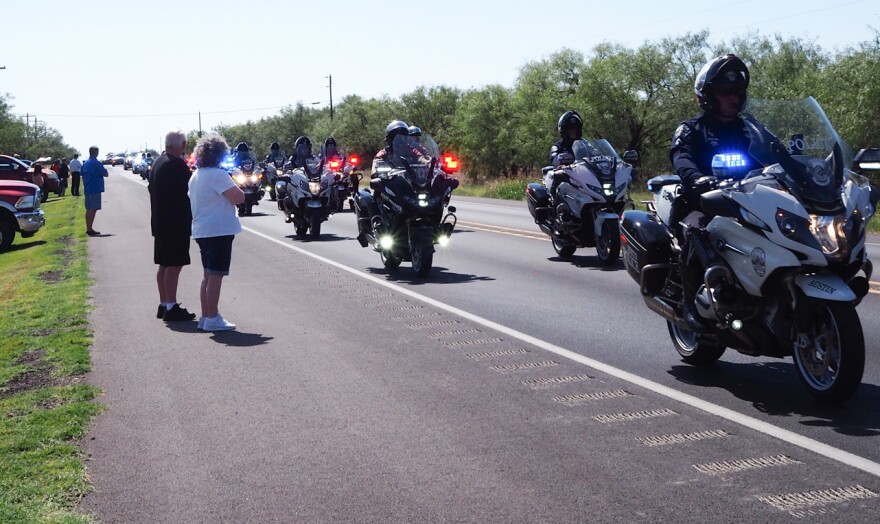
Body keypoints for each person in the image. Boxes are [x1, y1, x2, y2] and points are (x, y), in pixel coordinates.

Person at [669, 53, 753, 330]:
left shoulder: (750, 129)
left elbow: (775, 154)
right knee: (698, 232)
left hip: (747, 203)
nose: (734, 98)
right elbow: (681, 157)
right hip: (701, 204)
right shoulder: (692, 129)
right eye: (726, 92)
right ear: (707, 96)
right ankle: (689, 305)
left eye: (738, 92)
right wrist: (697, 178)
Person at [188, 134, 246, 332]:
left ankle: (206, 316)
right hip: (218, 231)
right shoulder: (217, 175)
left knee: (208, 275)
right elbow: (239, 197)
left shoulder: (196, 175)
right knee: (216, 276)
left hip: (202, 230)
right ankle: (212, 317)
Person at [150, 129, 196, 322]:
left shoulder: (158, 162)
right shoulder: (176, 165)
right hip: (174, 222)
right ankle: (171, 305)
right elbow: (190, 190)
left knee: (164, 263)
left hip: (160, 220)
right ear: (182, 145)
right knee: (174, 265)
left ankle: (163, 303)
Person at [81, 146, 109, 236]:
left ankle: (89, 228)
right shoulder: (96, 163)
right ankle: (89, 229)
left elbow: (82, 174)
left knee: (89, 209)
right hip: (95, 188)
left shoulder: (85, 163)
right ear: (96, 152)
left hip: (87, 188)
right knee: (93, 209)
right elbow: (105, 173)